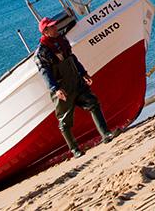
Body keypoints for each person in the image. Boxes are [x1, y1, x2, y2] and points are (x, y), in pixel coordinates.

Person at [34, 17, 113, 158]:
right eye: (52, 27)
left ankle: (105, 134)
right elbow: (45, 73)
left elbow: (72, 58)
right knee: (65, 121)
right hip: (62, 88)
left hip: (76, 81)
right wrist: (55, 89)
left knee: (92, 103)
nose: (55, 27)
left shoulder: (62, 41)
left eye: (55, 25)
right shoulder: (41, 52)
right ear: (45, 31)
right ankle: (75, 150)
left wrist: (83, 73)